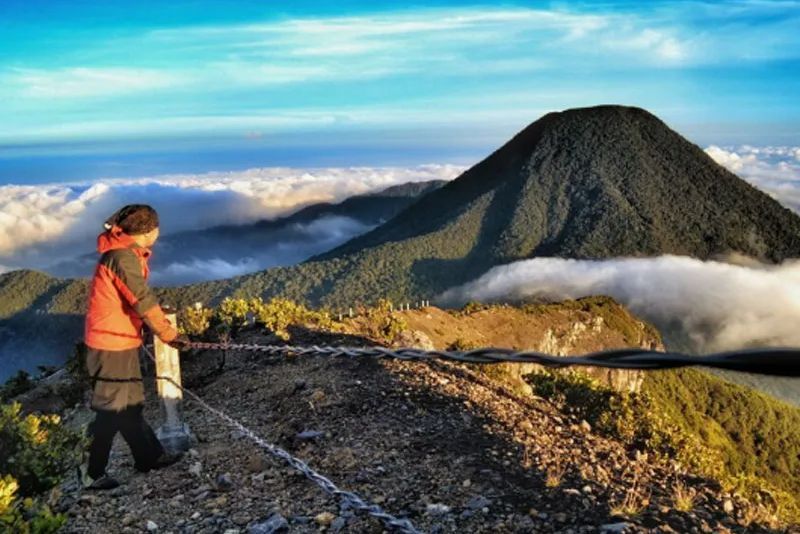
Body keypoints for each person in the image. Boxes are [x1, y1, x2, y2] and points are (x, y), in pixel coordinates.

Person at [80, 204, 189, 490]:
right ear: (147, 232)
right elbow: (140, 298)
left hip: (117, 339)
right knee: (111, 410)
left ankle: (148, 458)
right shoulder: (122, 257)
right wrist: (168, 333)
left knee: (129, 406)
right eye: (155, 227)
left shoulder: (122, 253)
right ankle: (91, 473)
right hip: (110, 344)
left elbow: (133, 299)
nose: (158, 232)